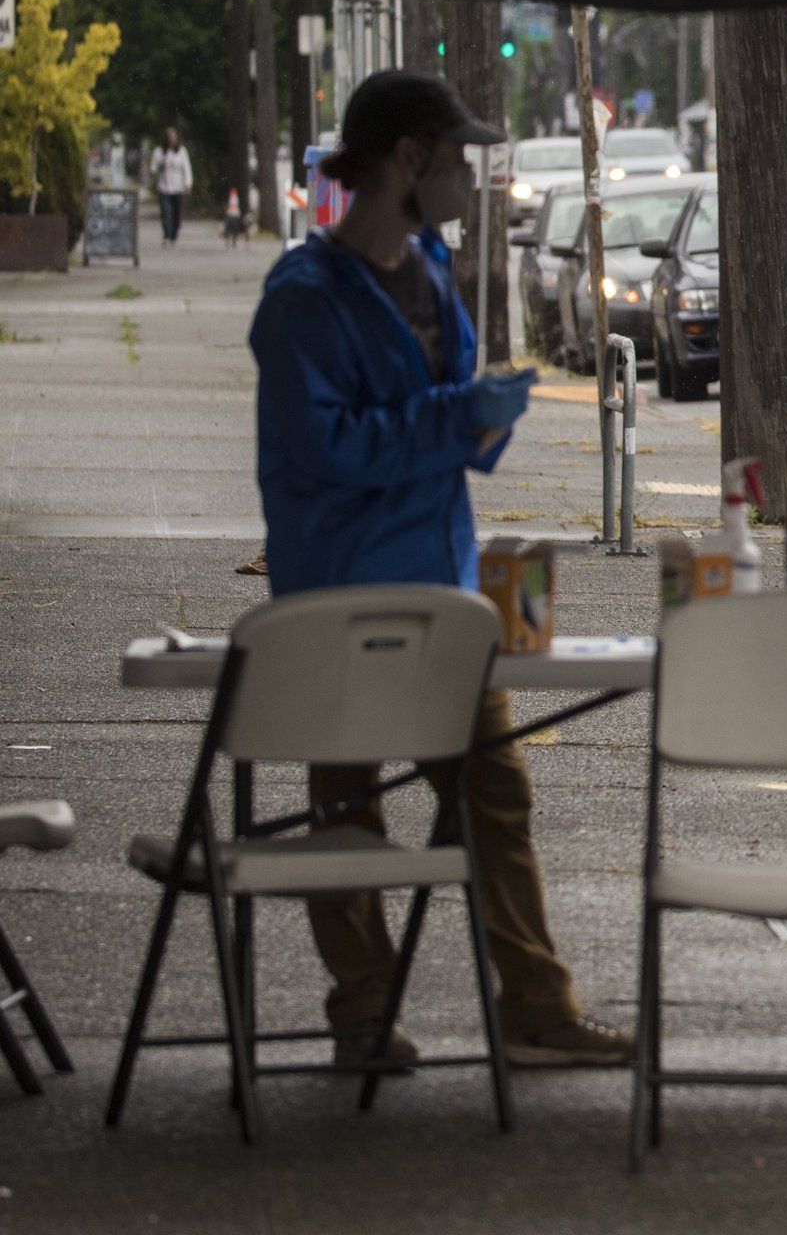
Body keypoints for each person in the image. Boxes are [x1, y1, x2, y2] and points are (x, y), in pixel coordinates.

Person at [249, 70, 633, 1071]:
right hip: (339, 596)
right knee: (345, 807)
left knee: (494, 790)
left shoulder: (430, 272)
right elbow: (331, 446)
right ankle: (364, 1014)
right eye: (457, 157)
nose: (470, 177)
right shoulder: (302, 296)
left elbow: (447, 426)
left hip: (445, 592)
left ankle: (537, 1000)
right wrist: (458, 419)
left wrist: (482, 414)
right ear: (408, 159)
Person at [156, 128, 191, 245]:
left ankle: (174, 234)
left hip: (178, 187)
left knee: (176, 213)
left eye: (173, 137)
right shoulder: (159, 151)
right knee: (166, 212)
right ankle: (166, 234)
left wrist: (187, 184)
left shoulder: (181, 151)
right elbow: (152, 168)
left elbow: (186, 168)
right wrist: (160, 167)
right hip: (164, 187)